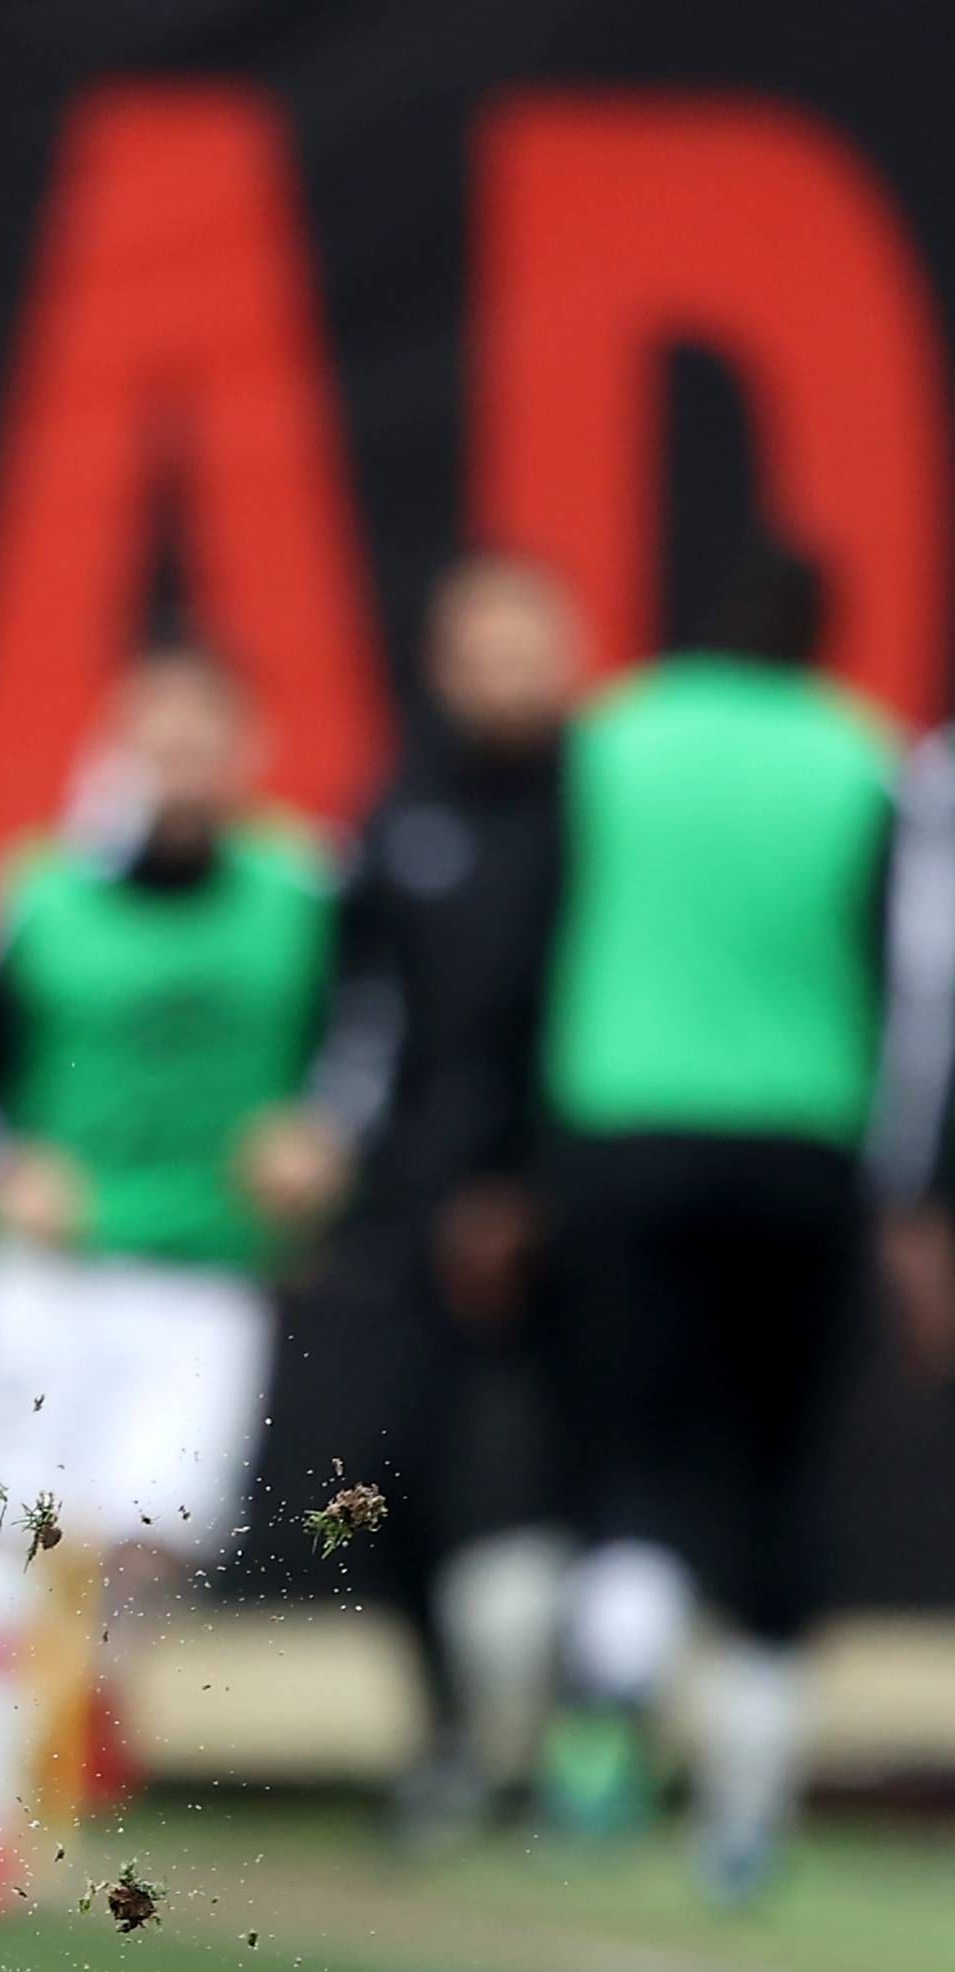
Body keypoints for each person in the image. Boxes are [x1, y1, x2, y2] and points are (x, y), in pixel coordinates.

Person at [530, 540, 955, 1896]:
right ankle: (743, 1817)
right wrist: (913, 1195)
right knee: (777, 1469)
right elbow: (917, 991)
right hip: (799, 1148)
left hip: (618, 1135)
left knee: (633, 1451)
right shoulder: (864, 759)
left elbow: (534, 934)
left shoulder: (614, 738)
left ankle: (609, 1705)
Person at [0, 648, 352, 1912]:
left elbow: (367, 1049)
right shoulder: (32, 893)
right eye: (158, 743)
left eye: (204, 743)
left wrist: (321, 1137)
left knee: (154, 1540)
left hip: (204, 1271)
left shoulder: (307, 894)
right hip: (42, 1273)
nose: (181, 769)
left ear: (247, 755)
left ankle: (89, 1686)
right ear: (117, 751)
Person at [326, 558, 586, 1845]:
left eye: (528, 653)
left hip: (578, 1197)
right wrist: (354, 1160)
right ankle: (444, 1740)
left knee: (590, 1482)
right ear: (442, 667)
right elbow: (360, 1015)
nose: (507, 681)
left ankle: (580, 1753)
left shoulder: (607, 809)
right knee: (391, 1478)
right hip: (415, 1209)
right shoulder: (400, 814)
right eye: (484, 655)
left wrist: (528, 1182)